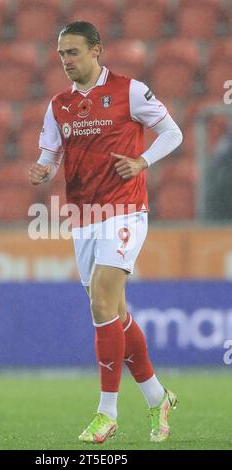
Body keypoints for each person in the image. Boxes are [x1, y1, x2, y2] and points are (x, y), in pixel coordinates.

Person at [29, 21, 183, 444]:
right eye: (61, 54)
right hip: (84, 215)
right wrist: (43, 170)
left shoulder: (131, 91)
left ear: (97, 50)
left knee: (100, 302)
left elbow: (173, 132)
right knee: (114, 311)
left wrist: (143, 161)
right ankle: (157, 397)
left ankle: (107, 413)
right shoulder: (58, 105)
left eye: (73, 52)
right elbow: (50, 155)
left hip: (125, 210)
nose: (66, 61)